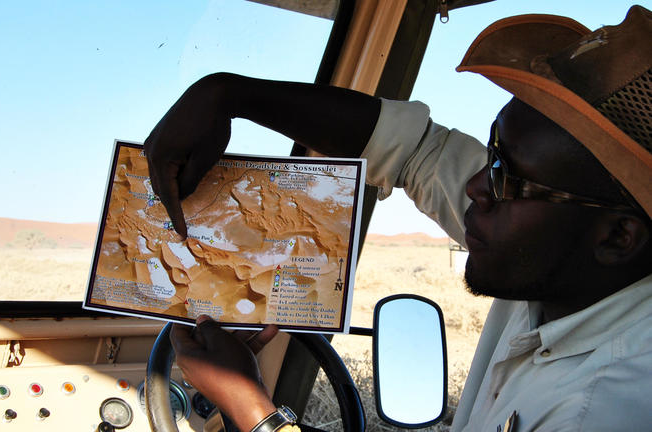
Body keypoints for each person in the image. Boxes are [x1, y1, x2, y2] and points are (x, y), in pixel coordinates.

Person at [144, 5, 652, 432]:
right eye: (492, 155)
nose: (476, 186)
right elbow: (417, 149)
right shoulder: (565, 260)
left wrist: (250, 408)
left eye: (506, 177)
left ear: (618, 236)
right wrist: (227, 94)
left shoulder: (604, 407)